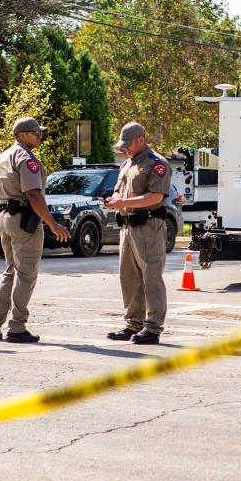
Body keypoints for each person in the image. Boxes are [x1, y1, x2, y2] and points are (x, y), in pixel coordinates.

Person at [0, 116, 70, 344]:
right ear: (21, 135)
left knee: (11, 271)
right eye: (35, 132)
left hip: (5, 217)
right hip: (23, 220)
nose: (39, 136)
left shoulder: (1, 158)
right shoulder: (26, 159)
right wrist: (52, 224)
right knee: (25, 274)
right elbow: (33, 194)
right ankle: (17, 326)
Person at [103, 122, 172, 345]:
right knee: (129, 277)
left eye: (128, 144)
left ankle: (152, 328)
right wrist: (114, 199)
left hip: (149, 227)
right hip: (127, 227)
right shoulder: (126, 165)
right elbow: (118, 189)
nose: (125, 149)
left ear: (141, 140)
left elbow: (156, 197)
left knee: (151, 276)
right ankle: (133, 323)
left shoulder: (157, 164)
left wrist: (123, 201)